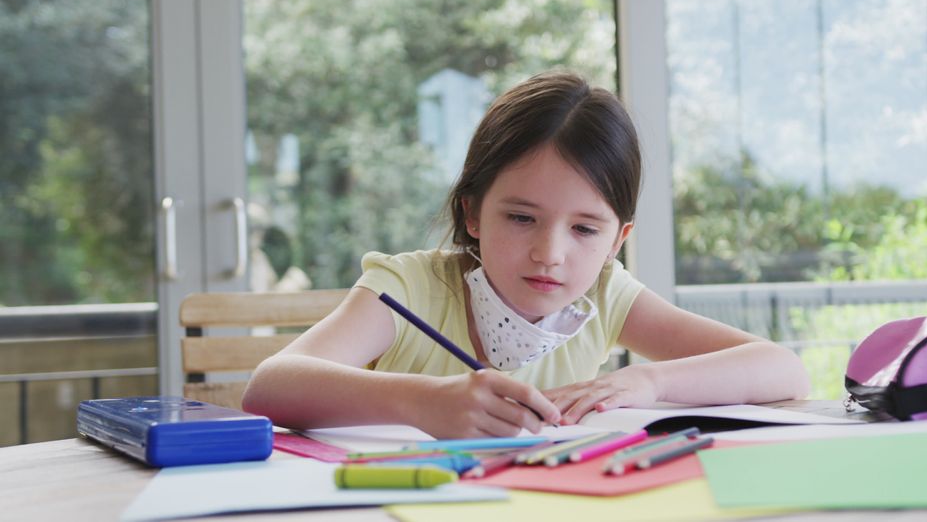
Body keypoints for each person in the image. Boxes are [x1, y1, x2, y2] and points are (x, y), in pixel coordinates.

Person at [242, 71, 809, 438]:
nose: (549, 253)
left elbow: (783, 369)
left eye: (585, 229)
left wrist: (648, 384)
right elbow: (269, 386)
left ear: (618, 241)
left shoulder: (607, 295)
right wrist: (427, 403)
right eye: (520, 218)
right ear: (472, 214)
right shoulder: (407, 288)